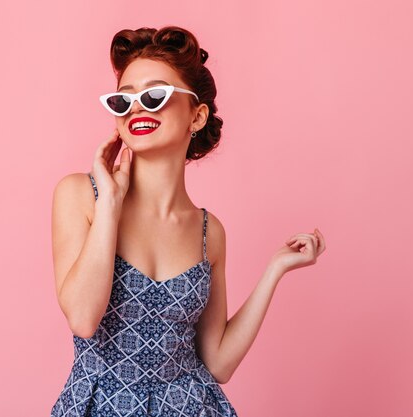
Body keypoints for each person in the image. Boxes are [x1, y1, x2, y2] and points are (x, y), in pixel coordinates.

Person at [50, 25, 326, 417]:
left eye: (155, 95)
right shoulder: (81, 195)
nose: (137, 109)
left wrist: (275, 270)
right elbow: (82, 318)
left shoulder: (208, 232)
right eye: (123, 101)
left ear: (196, 116)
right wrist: (111, 204)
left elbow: (217, 363)